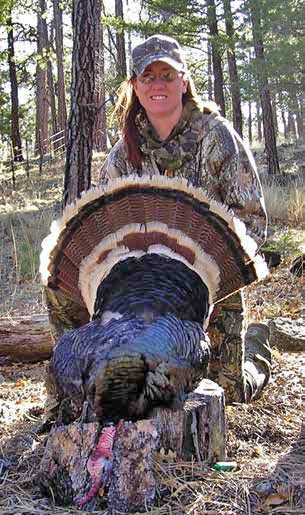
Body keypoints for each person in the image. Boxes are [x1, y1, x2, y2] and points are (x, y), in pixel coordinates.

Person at [99, 34, 271, 404]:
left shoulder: (216, 137)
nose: (157, 84)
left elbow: (254, 223)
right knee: (152, 391)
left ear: (184, 81)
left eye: (167, 74)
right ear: (134, 85)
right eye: (148, 76)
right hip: (146, 299)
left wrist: (209, 278)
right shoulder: (122, 156)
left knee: (225, 395)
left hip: (214, 291)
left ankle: (256, 351)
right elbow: (105, 237)